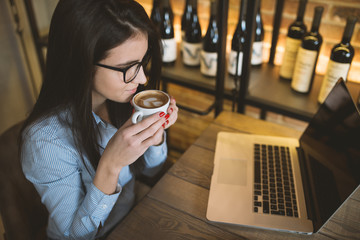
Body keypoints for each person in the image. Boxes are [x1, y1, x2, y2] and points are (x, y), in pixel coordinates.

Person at [19, 0, 178, 239]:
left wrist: (155, 136)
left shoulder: (122, 101)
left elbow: (151, 170)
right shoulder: (45, 142)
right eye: (128, 67)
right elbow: (77, 235)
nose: (143, 78)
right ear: (80, 63)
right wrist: (110, 165)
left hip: (134, 217)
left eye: (143, 61)